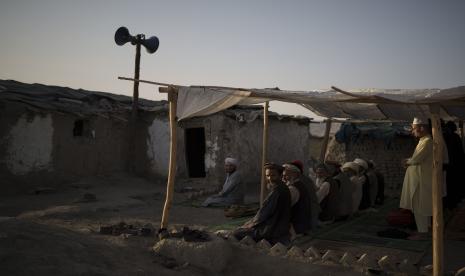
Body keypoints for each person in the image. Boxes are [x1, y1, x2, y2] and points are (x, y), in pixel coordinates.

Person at [233, 163, 291, 244]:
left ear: (281, 176)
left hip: (271, 231)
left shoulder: (277, 192)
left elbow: (261, 216)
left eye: (273, 175)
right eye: (267, 176)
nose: (270, 178)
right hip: (278, 228)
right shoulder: (283, 188)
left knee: (236, 233)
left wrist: (247, 226)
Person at [400, 117, 434, 240]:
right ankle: (426, 230)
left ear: (422, 128)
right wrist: (409, 161)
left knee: (420, 206)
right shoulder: (423, 141)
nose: (413, 132)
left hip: (421, 180)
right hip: (418, 179)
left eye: (414, 129)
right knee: (420, 206)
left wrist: (407, 161)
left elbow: (416, 159)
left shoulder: (428, 141)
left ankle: (423, 233)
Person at [283, 162, 313, 236]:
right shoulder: (301, 185)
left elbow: (283, 207)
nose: (283, 178)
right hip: (302, 225)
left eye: (286, 175)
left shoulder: (292, 188)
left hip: (295, 228)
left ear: (295, 175)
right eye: (283, 175)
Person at [290, 160, 321, 230]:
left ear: (295, 173)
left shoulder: (298, 182)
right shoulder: (307, 179)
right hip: (313, 212)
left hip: (307, 215)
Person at [443, 121, 465, 209]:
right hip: (453, 166)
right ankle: (452, 203)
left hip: (452, 167)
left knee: (451, 185)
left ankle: (451, 203)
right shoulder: (454, 137)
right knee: (452, 186)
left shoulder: (451, 137)